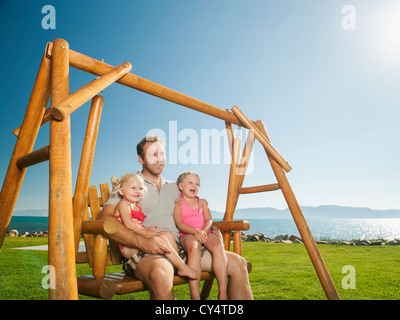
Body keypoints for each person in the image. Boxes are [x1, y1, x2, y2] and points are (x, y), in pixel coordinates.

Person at [98, 135, 253, 300]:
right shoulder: (131, 184)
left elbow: (194, 211)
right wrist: (142, 242)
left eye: (162, 154)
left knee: (238, 264)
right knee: (160, 275)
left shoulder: (176, 187)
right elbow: (105, 220)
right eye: (152, 154)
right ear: (141, 159)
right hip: (148, 252)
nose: (159, 159)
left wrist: (208, 227)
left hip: (183, 249)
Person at [110, 172, 198, 280]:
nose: (137, 191)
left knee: (167, 234)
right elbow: (129, 224)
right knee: (161, 238)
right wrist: (146, 232)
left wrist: (148, 229)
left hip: (138, 239)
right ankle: (181, 266)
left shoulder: (135, 205)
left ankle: (174, 264)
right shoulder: (123, 204)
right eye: (133, 188)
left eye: (141, 188)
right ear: (121, 191)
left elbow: (138, 226)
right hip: (128, 247)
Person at [174, 171, 228, 300]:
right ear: (181, 186)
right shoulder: (178, 203)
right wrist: (195, 232)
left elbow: (209, 220)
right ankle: (195, 296)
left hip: (204, 232)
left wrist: (203, 231)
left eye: (197, 184)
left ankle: (223, 292)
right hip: (187, 234)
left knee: (218, 245)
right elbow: (180, 223)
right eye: (191, 182)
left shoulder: (203, 202)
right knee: (194, 247)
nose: (195, 185)